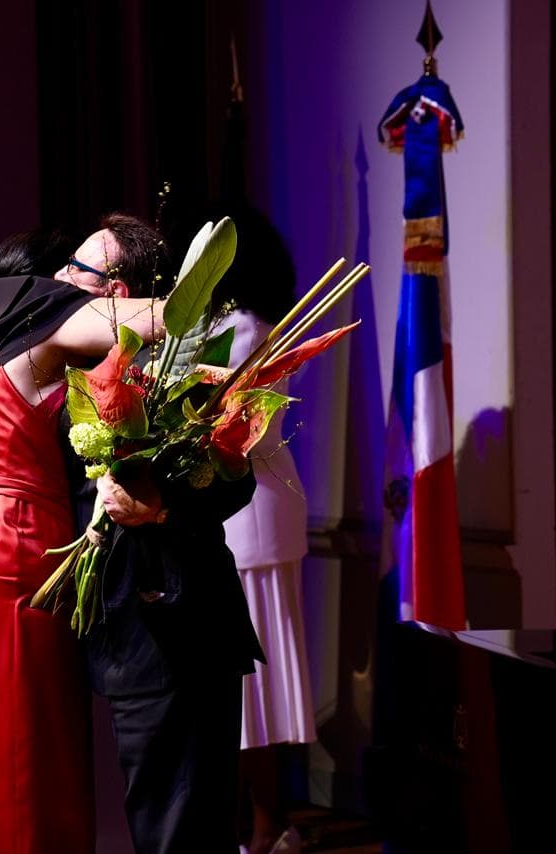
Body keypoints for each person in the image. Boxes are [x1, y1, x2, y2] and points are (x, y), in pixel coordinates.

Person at [0, 218, 265, 853]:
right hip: (119, 636)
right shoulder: (65, 358)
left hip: (183, 624)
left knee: (184, 830)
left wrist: (162, 506)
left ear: (115, 292)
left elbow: (236, 480)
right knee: (145, 818)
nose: (57, 278)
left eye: (75, 269)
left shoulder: (179, 364)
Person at [0, 215, 167, 854]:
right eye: (60, 268)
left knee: (26, 749)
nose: (62, 278)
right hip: (16, 545)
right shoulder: (57, 320)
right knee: (24, 760)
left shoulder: (17, 343)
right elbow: (167, 319)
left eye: (75, 268)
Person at [207, 205, 316, 854]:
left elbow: (225, 422)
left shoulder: (244, 330)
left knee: (253, 683)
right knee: (247, 683)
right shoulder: (234, 326)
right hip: (247, 509)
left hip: (247, 513)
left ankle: (270, 824)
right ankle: (263, 824)